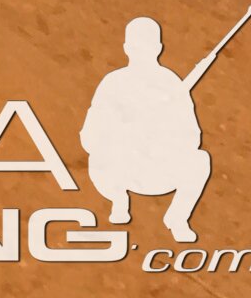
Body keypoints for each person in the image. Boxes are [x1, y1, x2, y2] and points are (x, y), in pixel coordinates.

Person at [83, 14, 217, 243]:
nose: (141, 52)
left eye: (145, 47)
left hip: (158, 169)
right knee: (100, 157)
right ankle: (118, 199)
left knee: (200, 160)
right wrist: (122, 132)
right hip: (121, 169)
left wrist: (161, 137)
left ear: (158, 48)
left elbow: (192, 137)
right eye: (137, 47)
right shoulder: (113, 83)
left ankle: (177, 218)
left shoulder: (171, 84)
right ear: (127, 48)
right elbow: (88, 137)